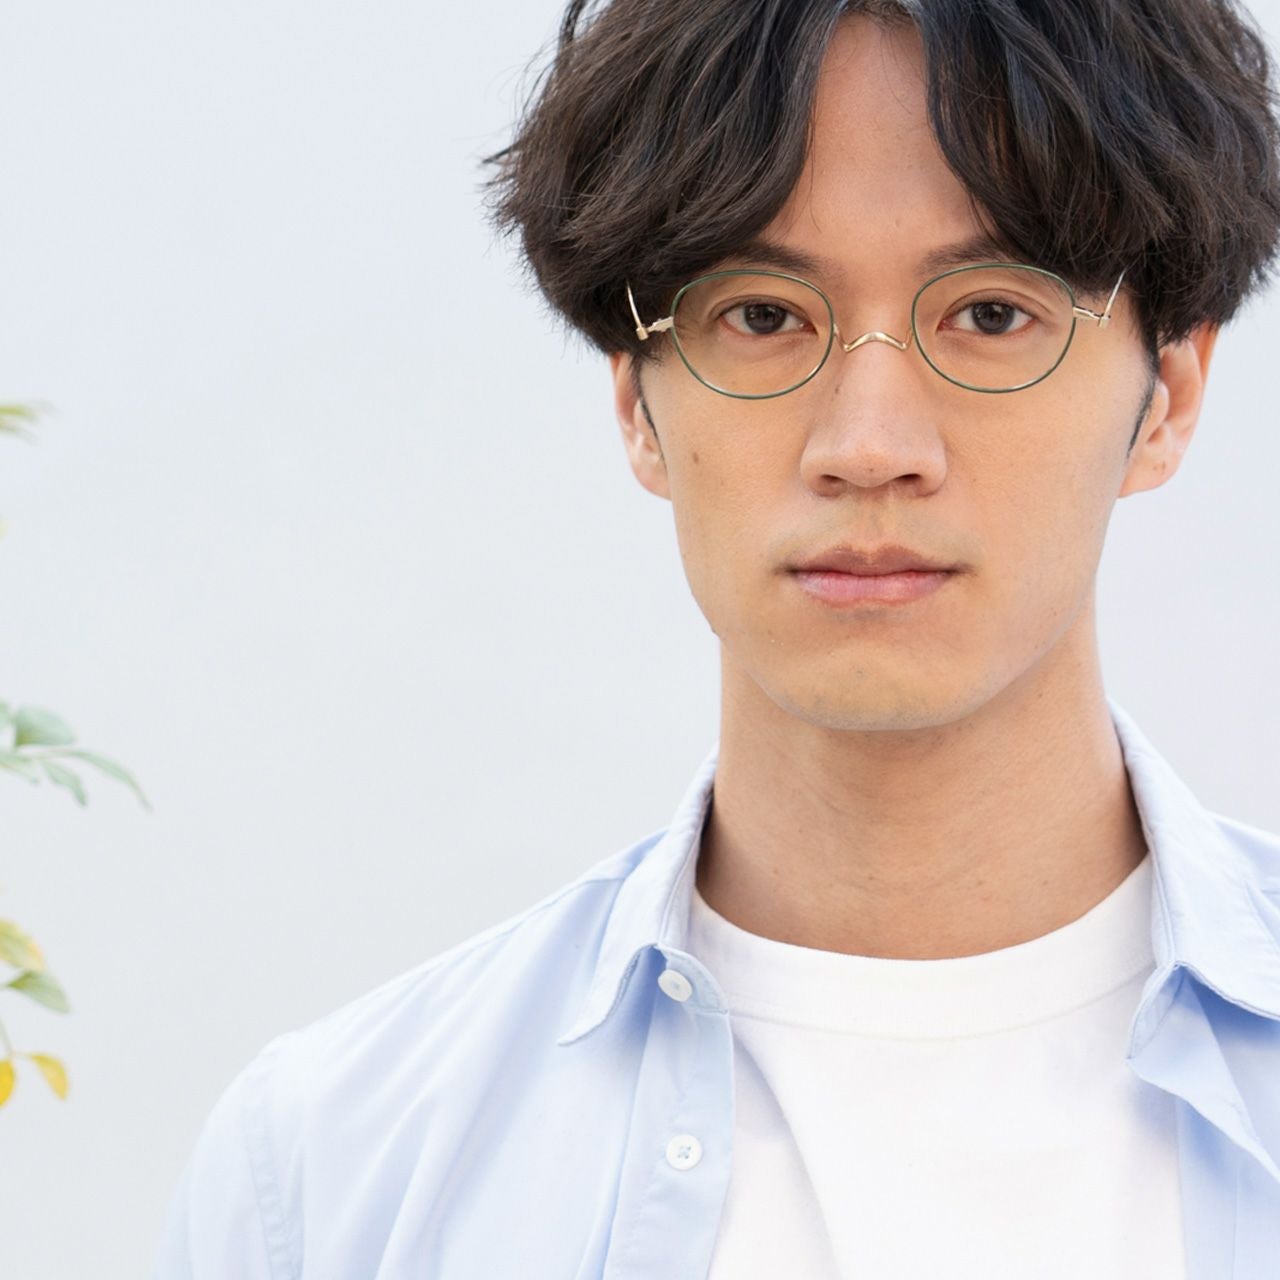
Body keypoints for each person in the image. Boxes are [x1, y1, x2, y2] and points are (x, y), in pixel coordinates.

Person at [151, 1, 1280, 1276]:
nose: (868, 446)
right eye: (759, 314)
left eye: (988, 313)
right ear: (635, 401)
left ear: (1167, 393)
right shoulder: (332, 1166)